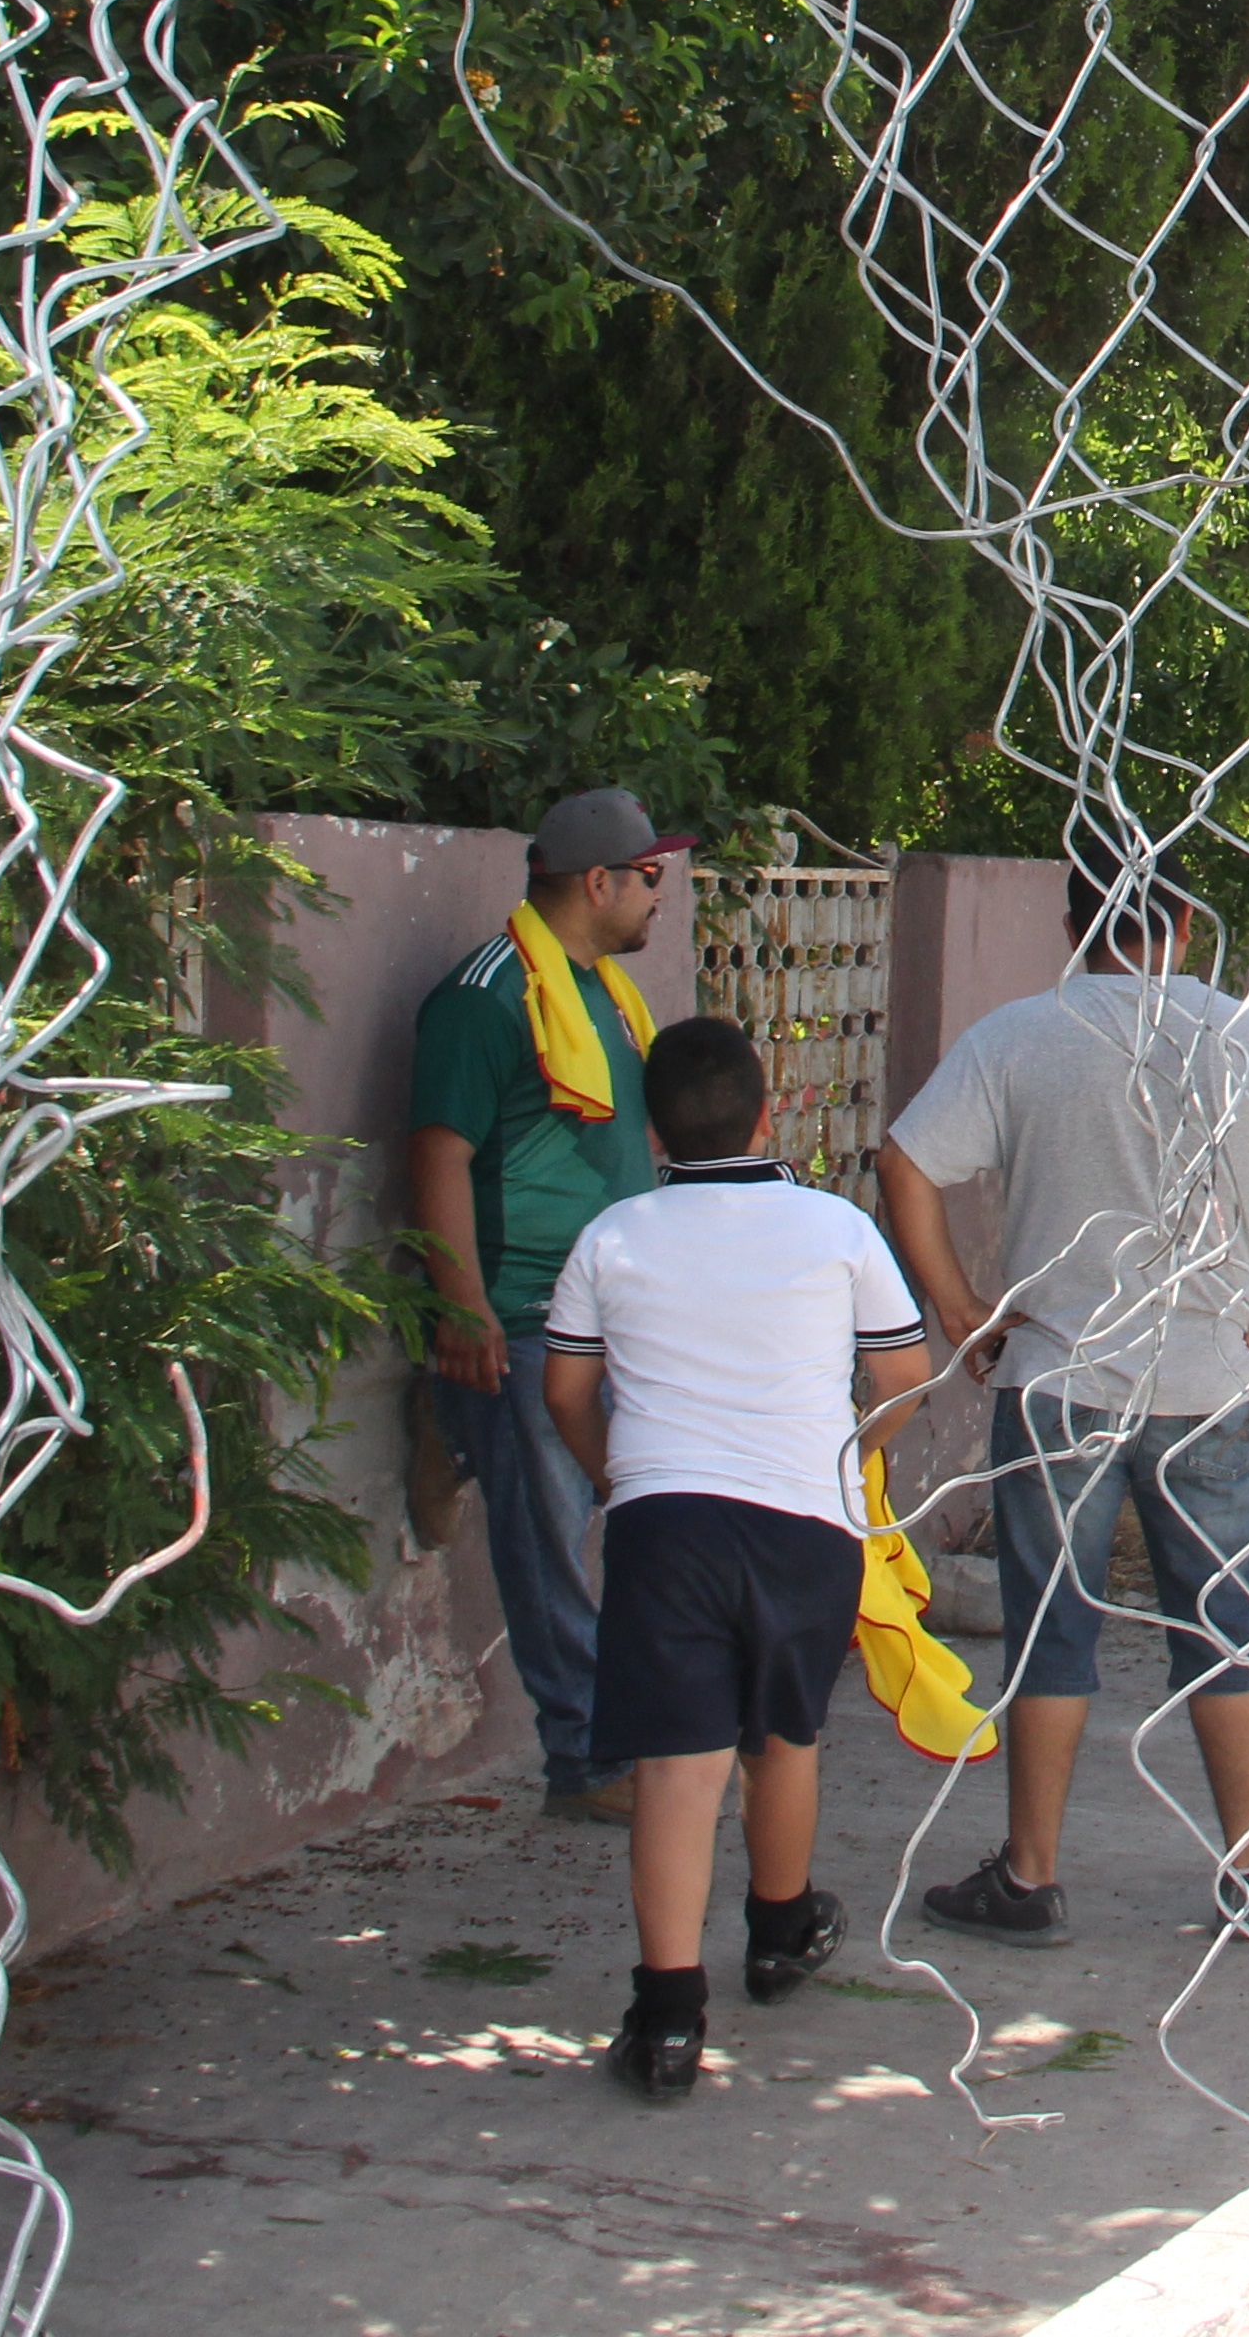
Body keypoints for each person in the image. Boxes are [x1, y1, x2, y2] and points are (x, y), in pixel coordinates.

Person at [875, 857, 1249, 1948]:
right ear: (1189, 925)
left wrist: (960, 1307)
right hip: (1205, 1383)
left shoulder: (1023, 1036)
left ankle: (1031, 1874)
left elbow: (905, 1162)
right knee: (1222, 1627)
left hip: (1057, 1380)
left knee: (1051, 1632)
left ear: (1075, 925)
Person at [541, 1017, 938, 2099]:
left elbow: (567, 1392)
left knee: (678, 1767)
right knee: (784, 1735)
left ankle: (667, 2020)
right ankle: (780, 1930)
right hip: (801, 1521)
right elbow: (905, 1370)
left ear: (651, 1126)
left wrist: (619, 1472)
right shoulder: (836, 1229)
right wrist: (848, 1453)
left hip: (663, 1524)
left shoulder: (612, 1237)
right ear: (768, 1112)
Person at [409, 787, 684, 1822]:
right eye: (650, 875)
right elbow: (439, 1152)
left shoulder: (603, 994)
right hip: (524, 1315)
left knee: (631, 1524)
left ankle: (452, 1429)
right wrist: (463, 1306)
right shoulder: (487, 998)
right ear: (598, 882)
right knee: (551, 1543)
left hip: (613, 1314)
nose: (662, 893)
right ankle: (583, 1758)